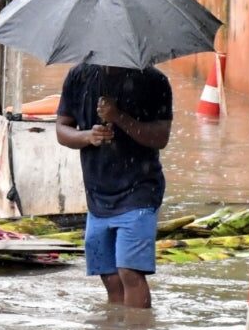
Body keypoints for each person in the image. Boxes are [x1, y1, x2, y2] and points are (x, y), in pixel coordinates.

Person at [56, 64, 173, 309]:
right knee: (109, 275)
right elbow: (62, 129)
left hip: (139, 190)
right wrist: (87, 136)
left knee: (130, 271)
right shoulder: (79, 76)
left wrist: (119, 117)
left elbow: (161, 137)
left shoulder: (153, 81)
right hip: (98, 193)